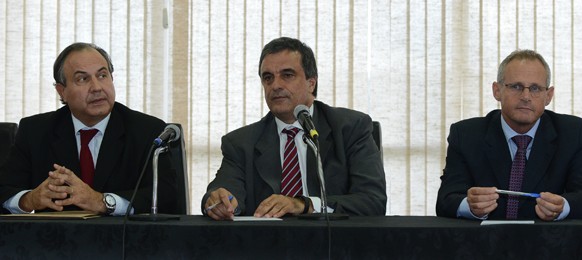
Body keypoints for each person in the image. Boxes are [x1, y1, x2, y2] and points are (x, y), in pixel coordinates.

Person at [202, 37, 387, 220]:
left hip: (335, 245)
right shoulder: (241, 143)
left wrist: (304, 204)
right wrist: (220, 200)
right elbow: (225, 191)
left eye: (287, 75)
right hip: (267, 246)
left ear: (311, 83)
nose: (275, 85)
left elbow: (372, 201)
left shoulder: (350, 128)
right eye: (268, 78)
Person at [0, 42, 176, 215]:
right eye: (83, 79)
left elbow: (167, 197)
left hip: (124, 241)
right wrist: (29, 200)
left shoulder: (148, 131)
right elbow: (4, 190)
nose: (97, 87)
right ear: (62, 92)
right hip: (57, 240)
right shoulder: (36, 131)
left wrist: (103, 201)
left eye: (102, 75)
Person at [436, 49, 582, 221]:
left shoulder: (574, 133)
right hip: (485, 244)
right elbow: (445, 201)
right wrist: (469, 206)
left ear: (548, 95)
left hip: (550, 244)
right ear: (497, 91)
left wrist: (563, 206)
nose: (526, 96)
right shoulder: (466, 135)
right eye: (516, 86)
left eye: (535, 88)